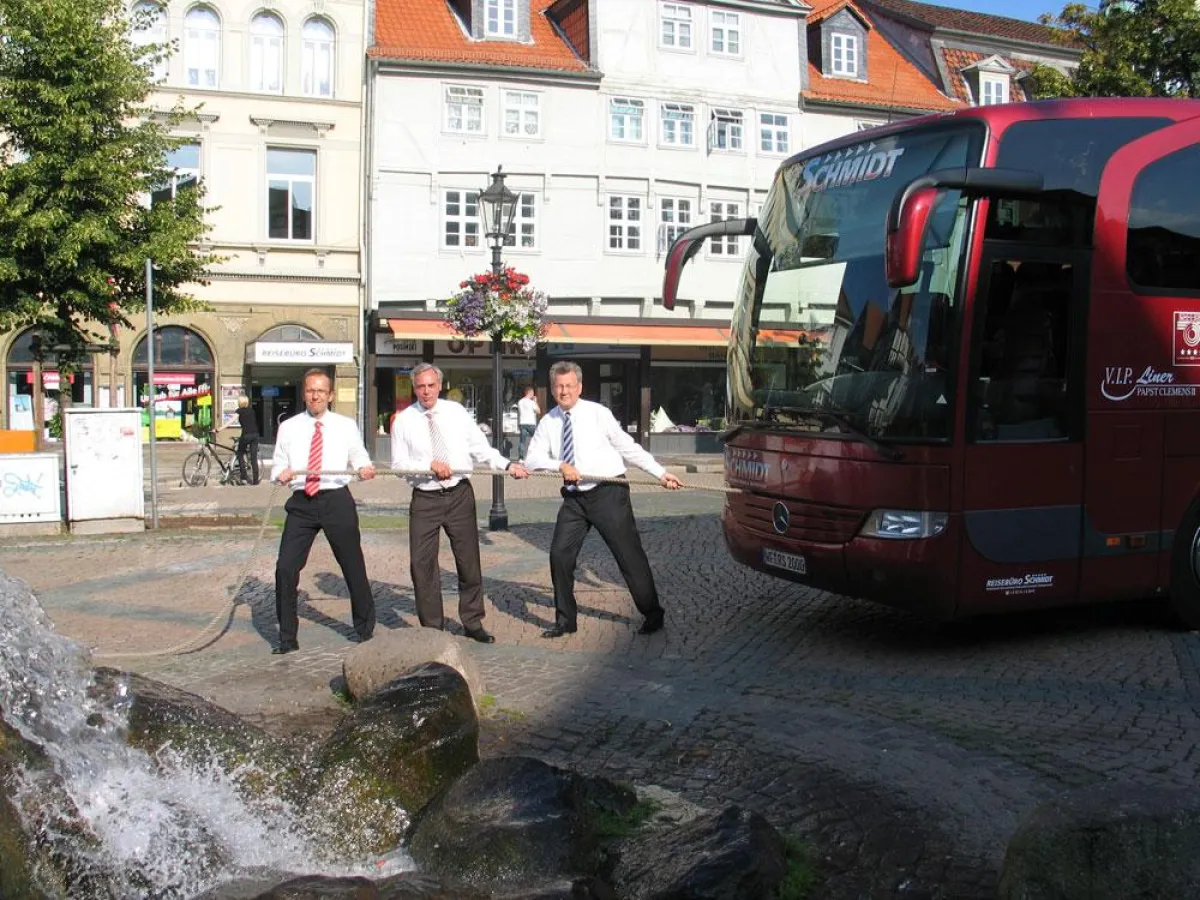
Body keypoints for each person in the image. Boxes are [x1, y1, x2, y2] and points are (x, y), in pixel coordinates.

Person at [524, 361, 682, 639]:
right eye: (559, 386)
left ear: (580, 387)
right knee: (560, 555)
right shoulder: (548, 421)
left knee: (628, 555)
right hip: (574, 499)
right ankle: (565, 621)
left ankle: (652, 613)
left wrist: (660, 473)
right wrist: (559, 465)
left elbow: (627, 447)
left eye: (569, 386)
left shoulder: (598, 414)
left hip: (608, 491)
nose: (564, 391)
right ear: (552, 388)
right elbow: (533, 458)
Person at [391, 363, 529, 643]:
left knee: (468, 561)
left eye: (431, 385)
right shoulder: (404, 420)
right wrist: (427, 465)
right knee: (421, 564)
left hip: (459, 495)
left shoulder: (455, 412)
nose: (426, 391)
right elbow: (399, 465)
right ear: (414, 388)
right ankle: (432, 628)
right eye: (420, 386)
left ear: (439, 386)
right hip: (425, 498)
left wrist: (506, 465)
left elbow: (478, 447)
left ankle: (472, 620)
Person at [269, 369, 376, 655]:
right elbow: (277, 464)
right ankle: (287, 638)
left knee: (352, 565)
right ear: (303, 393)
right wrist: (281, 474)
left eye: (320, 391)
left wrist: (364, 469)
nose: (314, 395)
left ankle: (365, 630)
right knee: (285, 568)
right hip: (302, 502)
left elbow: (359, 456)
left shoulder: (345, 425)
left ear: (330, 395)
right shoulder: (289, 427)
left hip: (336, 499)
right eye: (309, 390)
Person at [234, 395, 260, 485]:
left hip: (246, 435)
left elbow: (231, 421)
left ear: (239, 402)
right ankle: (255, 481)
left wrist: (219, 429)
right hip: (255, 435)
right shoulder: (252, 410)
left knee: (240, 453)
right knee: (253, 458)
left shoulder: (239, 411)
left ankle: (244, 476)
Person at [517, 384, 540, 459]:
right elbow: (538, 411)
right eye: (532, 393)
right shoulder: (531, 402)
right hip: (531, 423)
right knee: (537, 439)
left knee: (522, 441)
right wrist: (535, 401)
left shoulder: (520, 402)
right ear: (529, 392)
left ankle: (521, 458)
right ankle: (535, 456)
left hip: (522, 423)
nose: (533, 394)